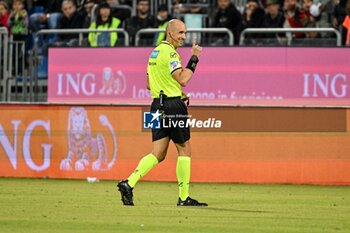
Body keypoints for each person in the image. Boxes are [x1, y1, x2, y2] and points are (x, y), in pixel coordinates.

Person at [117, 19, 208, 207]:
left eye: (185, 32)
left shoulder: (154, 53)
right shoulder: (172, 54)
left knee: (158, 153)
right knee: (185, 149)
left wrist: (177, 93)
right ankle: (184, 198)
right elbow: (183, 79)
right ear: (170, 33)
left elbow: (149, 84)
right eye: (181, 33)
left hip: (155, 106)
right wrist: (194, 58)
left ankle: (129, 182)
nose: (184, 37)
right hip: (172, 107)